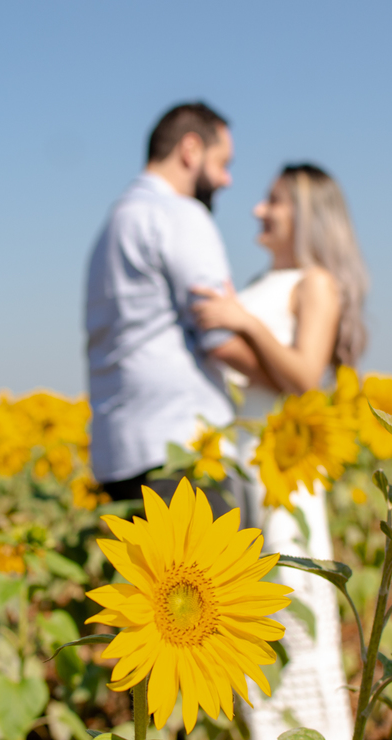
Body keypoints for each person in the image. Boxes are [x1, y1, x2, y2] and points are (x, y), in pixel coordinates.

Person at [191, 163, 368, 740]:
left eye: (274, 201)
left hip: (286, 472)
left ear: (307, 214)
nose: (259, 211)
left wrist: (243, 322)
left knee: (290, 622)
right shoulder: (269, 280)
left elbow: (303, 376)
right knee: (243, 620)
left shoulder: (315, 283)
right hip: (242, 466)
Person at [85, 102, 266, 507]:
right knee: (215, 569)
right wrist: (288, 376)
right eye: (222, 162)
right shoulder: (179, 214)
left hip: (119, 452)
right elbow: (218, 335)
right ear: (190, 150)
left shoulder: (115, 222)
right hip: (182, 452)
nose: (227, 179)